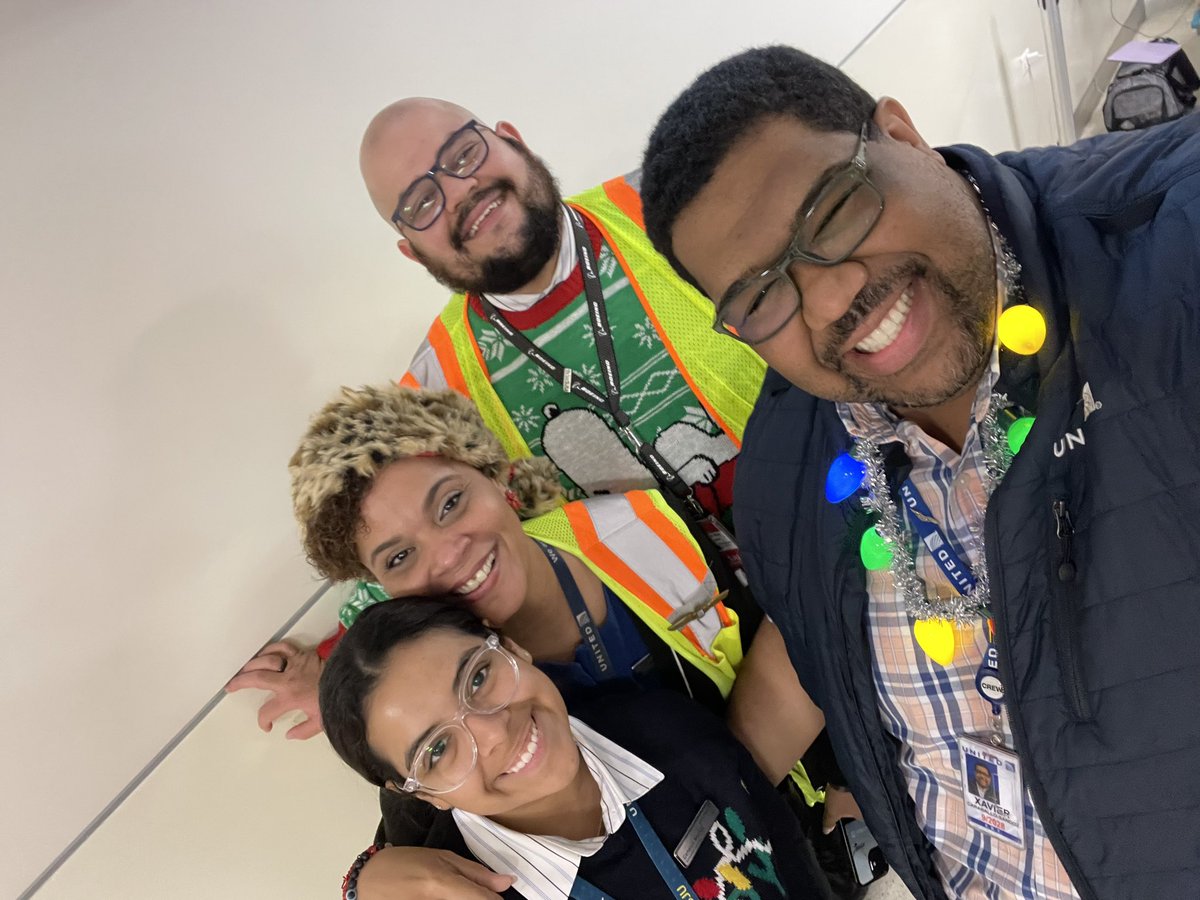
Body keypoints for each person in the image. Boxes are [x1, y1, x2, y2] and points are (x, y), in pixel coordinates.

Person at [638, 44, 1200, 900]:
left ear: (901, 134)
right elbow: (813, 652)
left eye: (830, 212)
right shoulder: (787, 475)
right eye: (761, 295)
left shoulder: (1171, 247)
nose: (828, 300)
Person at [266, 383, 830, 899]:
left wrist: (835, 779)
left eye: (450, 502)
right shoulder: (445, 701)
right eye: (399, 556)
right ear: (383, 588)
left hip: (787, 830)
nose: (447, 552)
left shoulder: (638, 527)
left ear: (496, 475)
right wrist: (364, 880)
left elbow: (780, 629)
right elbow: (411, 853)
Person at [359, 97, 766, 527]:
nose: (461, 192)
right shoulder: (432, 394)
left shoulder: (673, 199)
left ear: (514, 141)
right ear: (414, 254)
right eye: (423, 203)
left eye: (463, 154)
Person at [320, 597, 834, 900]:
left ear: (513, 648)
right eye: (437, 751)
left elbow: (790, 859)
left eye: (479, 677)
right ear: (424, 794)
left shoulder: (664, 729)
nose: (495, 732)